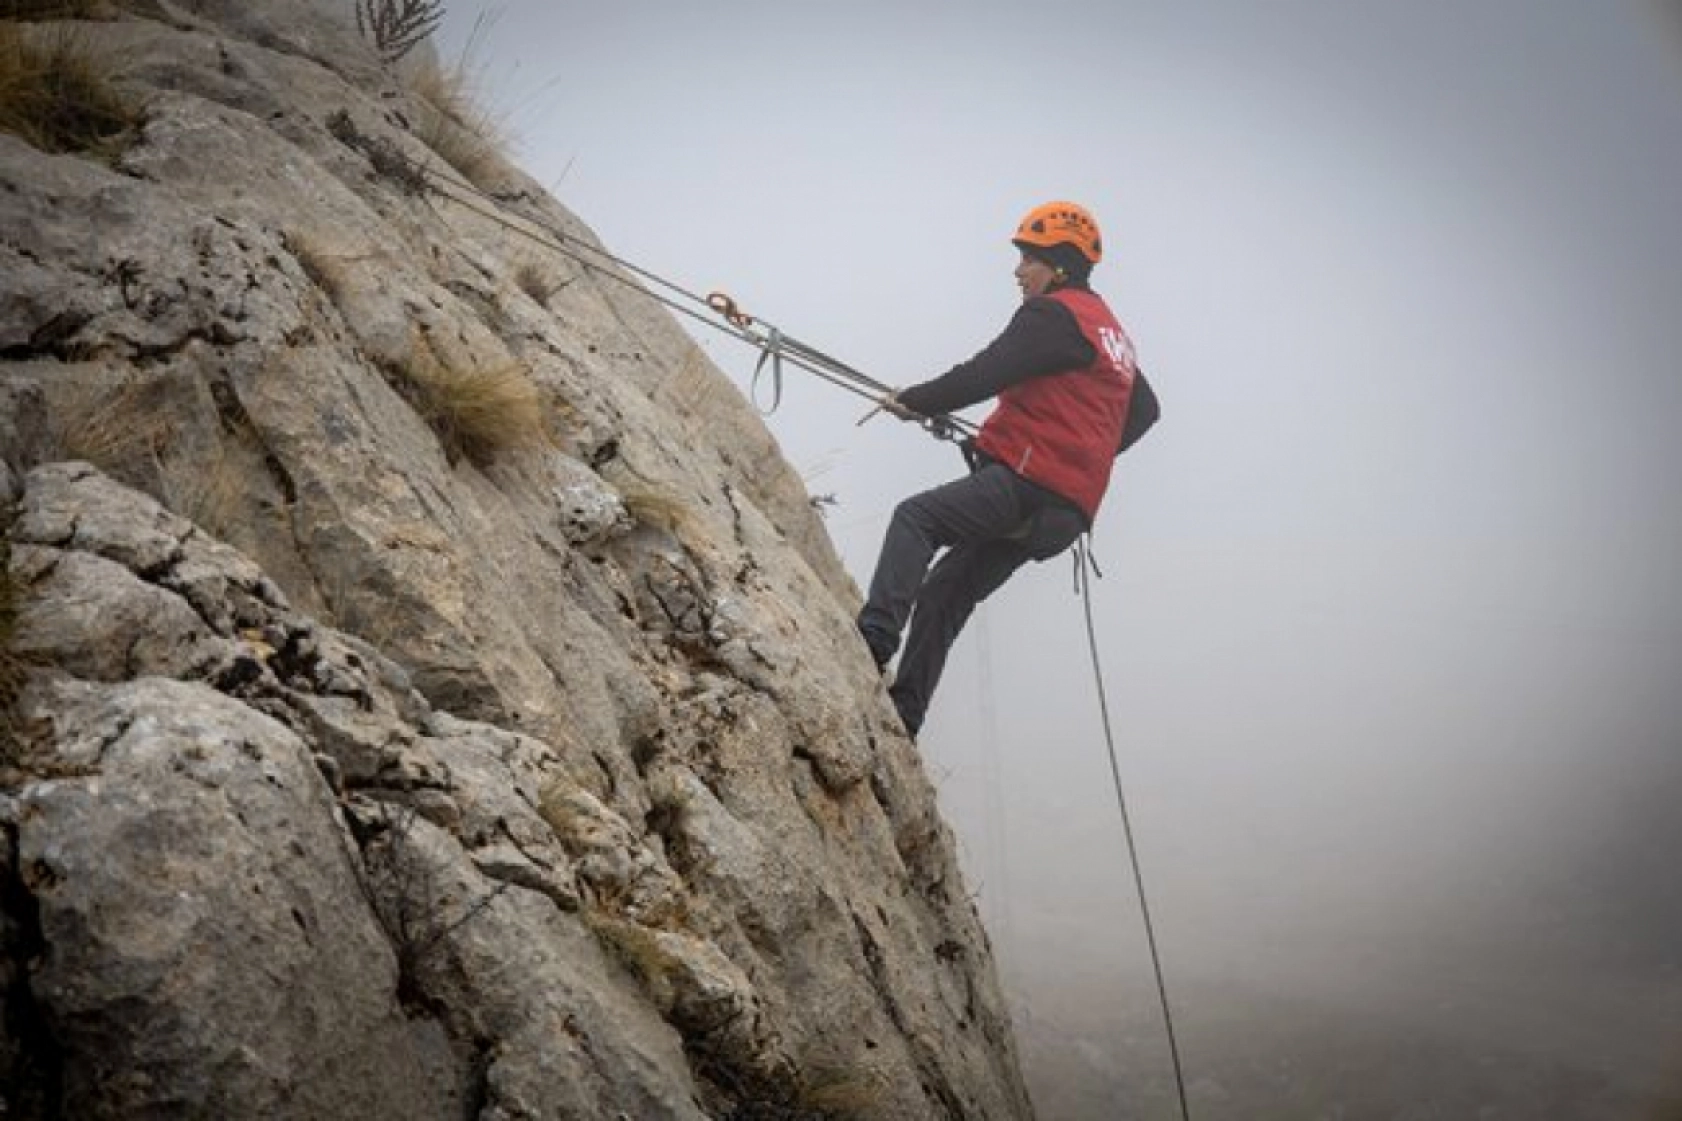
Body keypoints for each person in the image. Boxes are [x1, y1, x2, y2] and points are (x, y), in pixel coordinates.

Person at [856, 201, 1160, 738]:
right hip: (1062, 516)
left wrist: (919, 401)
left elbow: (988, 371)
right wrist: (1083, 456)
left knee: (916, 519)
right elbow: (1143, 412)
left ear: (1060, 265)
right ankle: (905, 717)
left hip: (1028, 485)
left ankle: (872, 641)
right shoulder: (1114, 339)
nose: (1018, 271)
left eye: (1030, 259)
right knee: (947, 590)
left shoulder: (1055, 315)